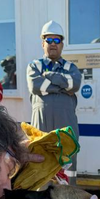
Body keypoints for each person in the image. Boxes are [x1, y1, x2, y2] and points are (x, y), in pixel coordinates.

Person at [27, 21, 82, 184]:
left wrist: (49, 77)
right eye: (49, 40)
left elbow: (75, 84)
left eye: (56, 40)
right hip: (41, 128)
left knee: (67, 168)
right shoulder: (33, 66)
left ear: (62, 44)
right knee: (41, 166)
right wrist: (62, 85)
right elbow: (36, 85)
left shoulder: (71, 67)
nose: (52, 44)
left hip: (66, 128)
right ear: (42, 43)